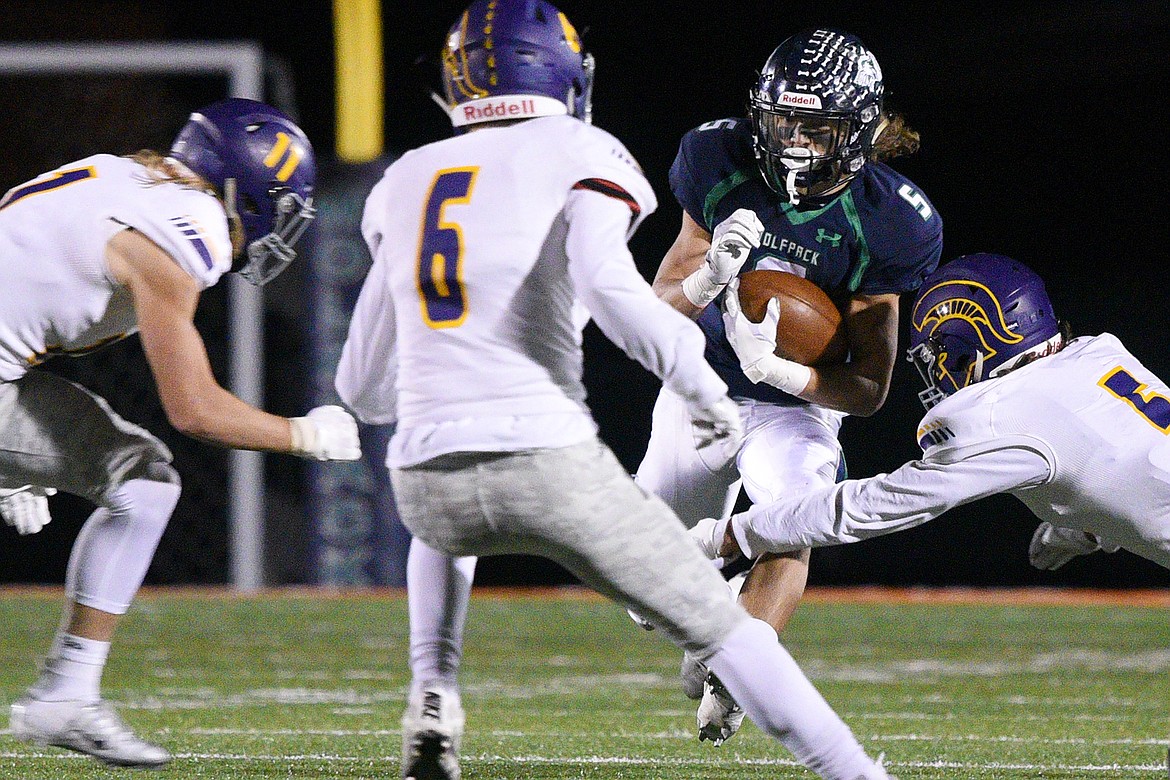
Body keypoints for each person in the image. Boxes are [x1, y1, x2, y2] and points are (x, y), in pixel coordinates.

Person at [335, 3, 895, 779]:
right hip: (549, 458)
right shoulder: (587, 150)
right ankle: (859, 773)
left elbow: (361, 389)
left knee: (444, 526)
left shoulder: (401, 179)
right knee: (721, 635)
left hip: (423, 477)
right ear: (564, 73)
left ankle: (432, 697)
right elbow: (613, 293)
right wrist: (698, 380)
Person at [0, 97, 362, 768]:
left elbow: (20, 292)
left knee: (140, 479)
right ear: (248, 193)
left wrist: (15, 463)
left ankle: (68, 694)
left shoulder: (121, 177)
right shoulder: (184, 228)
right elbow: (195, 410)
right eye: (279, 204)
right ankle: (65, 695)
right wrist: (306, 436)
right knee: (145, 482)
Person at [632, 27, 944, 742]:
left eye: (818, 127)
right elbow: (658, 310)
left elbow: (867, 387)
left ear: (859, 127)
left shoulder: (893, 220)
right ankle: (708, 613)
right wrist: (709, 277)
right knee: (639, 587)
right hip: (698, 391)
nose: (796, 142)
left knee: (794, 520)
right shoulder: (717, 157)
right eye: (783, 122)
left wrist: (779, 370)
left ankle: (743, 666)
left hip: (795, 410)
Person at [688, 252, 1170, 574]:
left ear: (969, 344)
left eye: (938, 355)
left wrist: (732, 532)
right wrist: (1087, 524)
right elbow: (1124, 450)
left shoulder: (1002, 412)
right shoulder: (1096, 355)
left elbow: (872, 506)